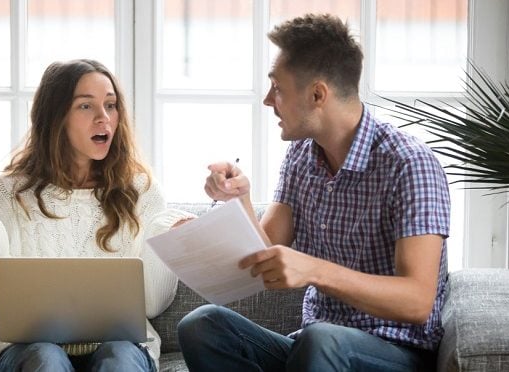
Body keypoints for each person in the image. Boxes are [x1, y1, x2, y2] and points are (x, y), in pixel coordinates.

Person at [178, 13, 450, 372]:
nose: (266, 100)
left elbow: (417, 301)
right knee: (202, 326)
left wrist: (316, 271)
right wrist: (237, 201)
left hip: (395, 352)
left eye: (277, 88)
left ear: (317, 94)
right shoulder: (301, 156)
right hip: (312, 347)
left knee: (322, 338)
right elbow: (261, 253)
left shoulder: (410, 164)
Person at [0, 59, 193, 372]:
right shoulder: (10, 190)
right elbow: (2, 305)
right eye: (86, 106)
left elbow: (152, 304)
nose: (104, 118)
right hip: (30, 347)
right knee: (46, 358)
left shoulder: (141, 189)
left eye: (111, 105)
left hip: (122, 345)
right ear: (56, 116)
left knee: (121, 360)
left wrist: (167, 237)